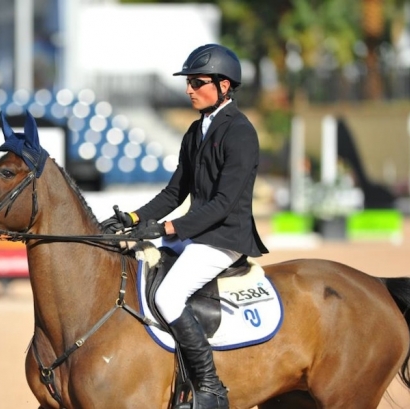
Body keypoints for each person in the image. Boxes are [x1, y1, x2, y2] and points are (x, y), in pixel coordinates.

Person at [101, 44, 268, 409]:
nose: (189, 89)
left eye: (197, 82)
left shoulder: (240, 133)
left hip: (224, 237)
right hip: (197, 233)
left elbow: (223, 204)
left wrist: (167, 230)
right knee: (140, 272)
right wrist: (133, 219)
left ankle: (210, 387)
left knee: (167, 295)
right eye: (188, 82)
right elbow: (175, 192)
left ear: (224, 85)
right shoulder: (195, 131)